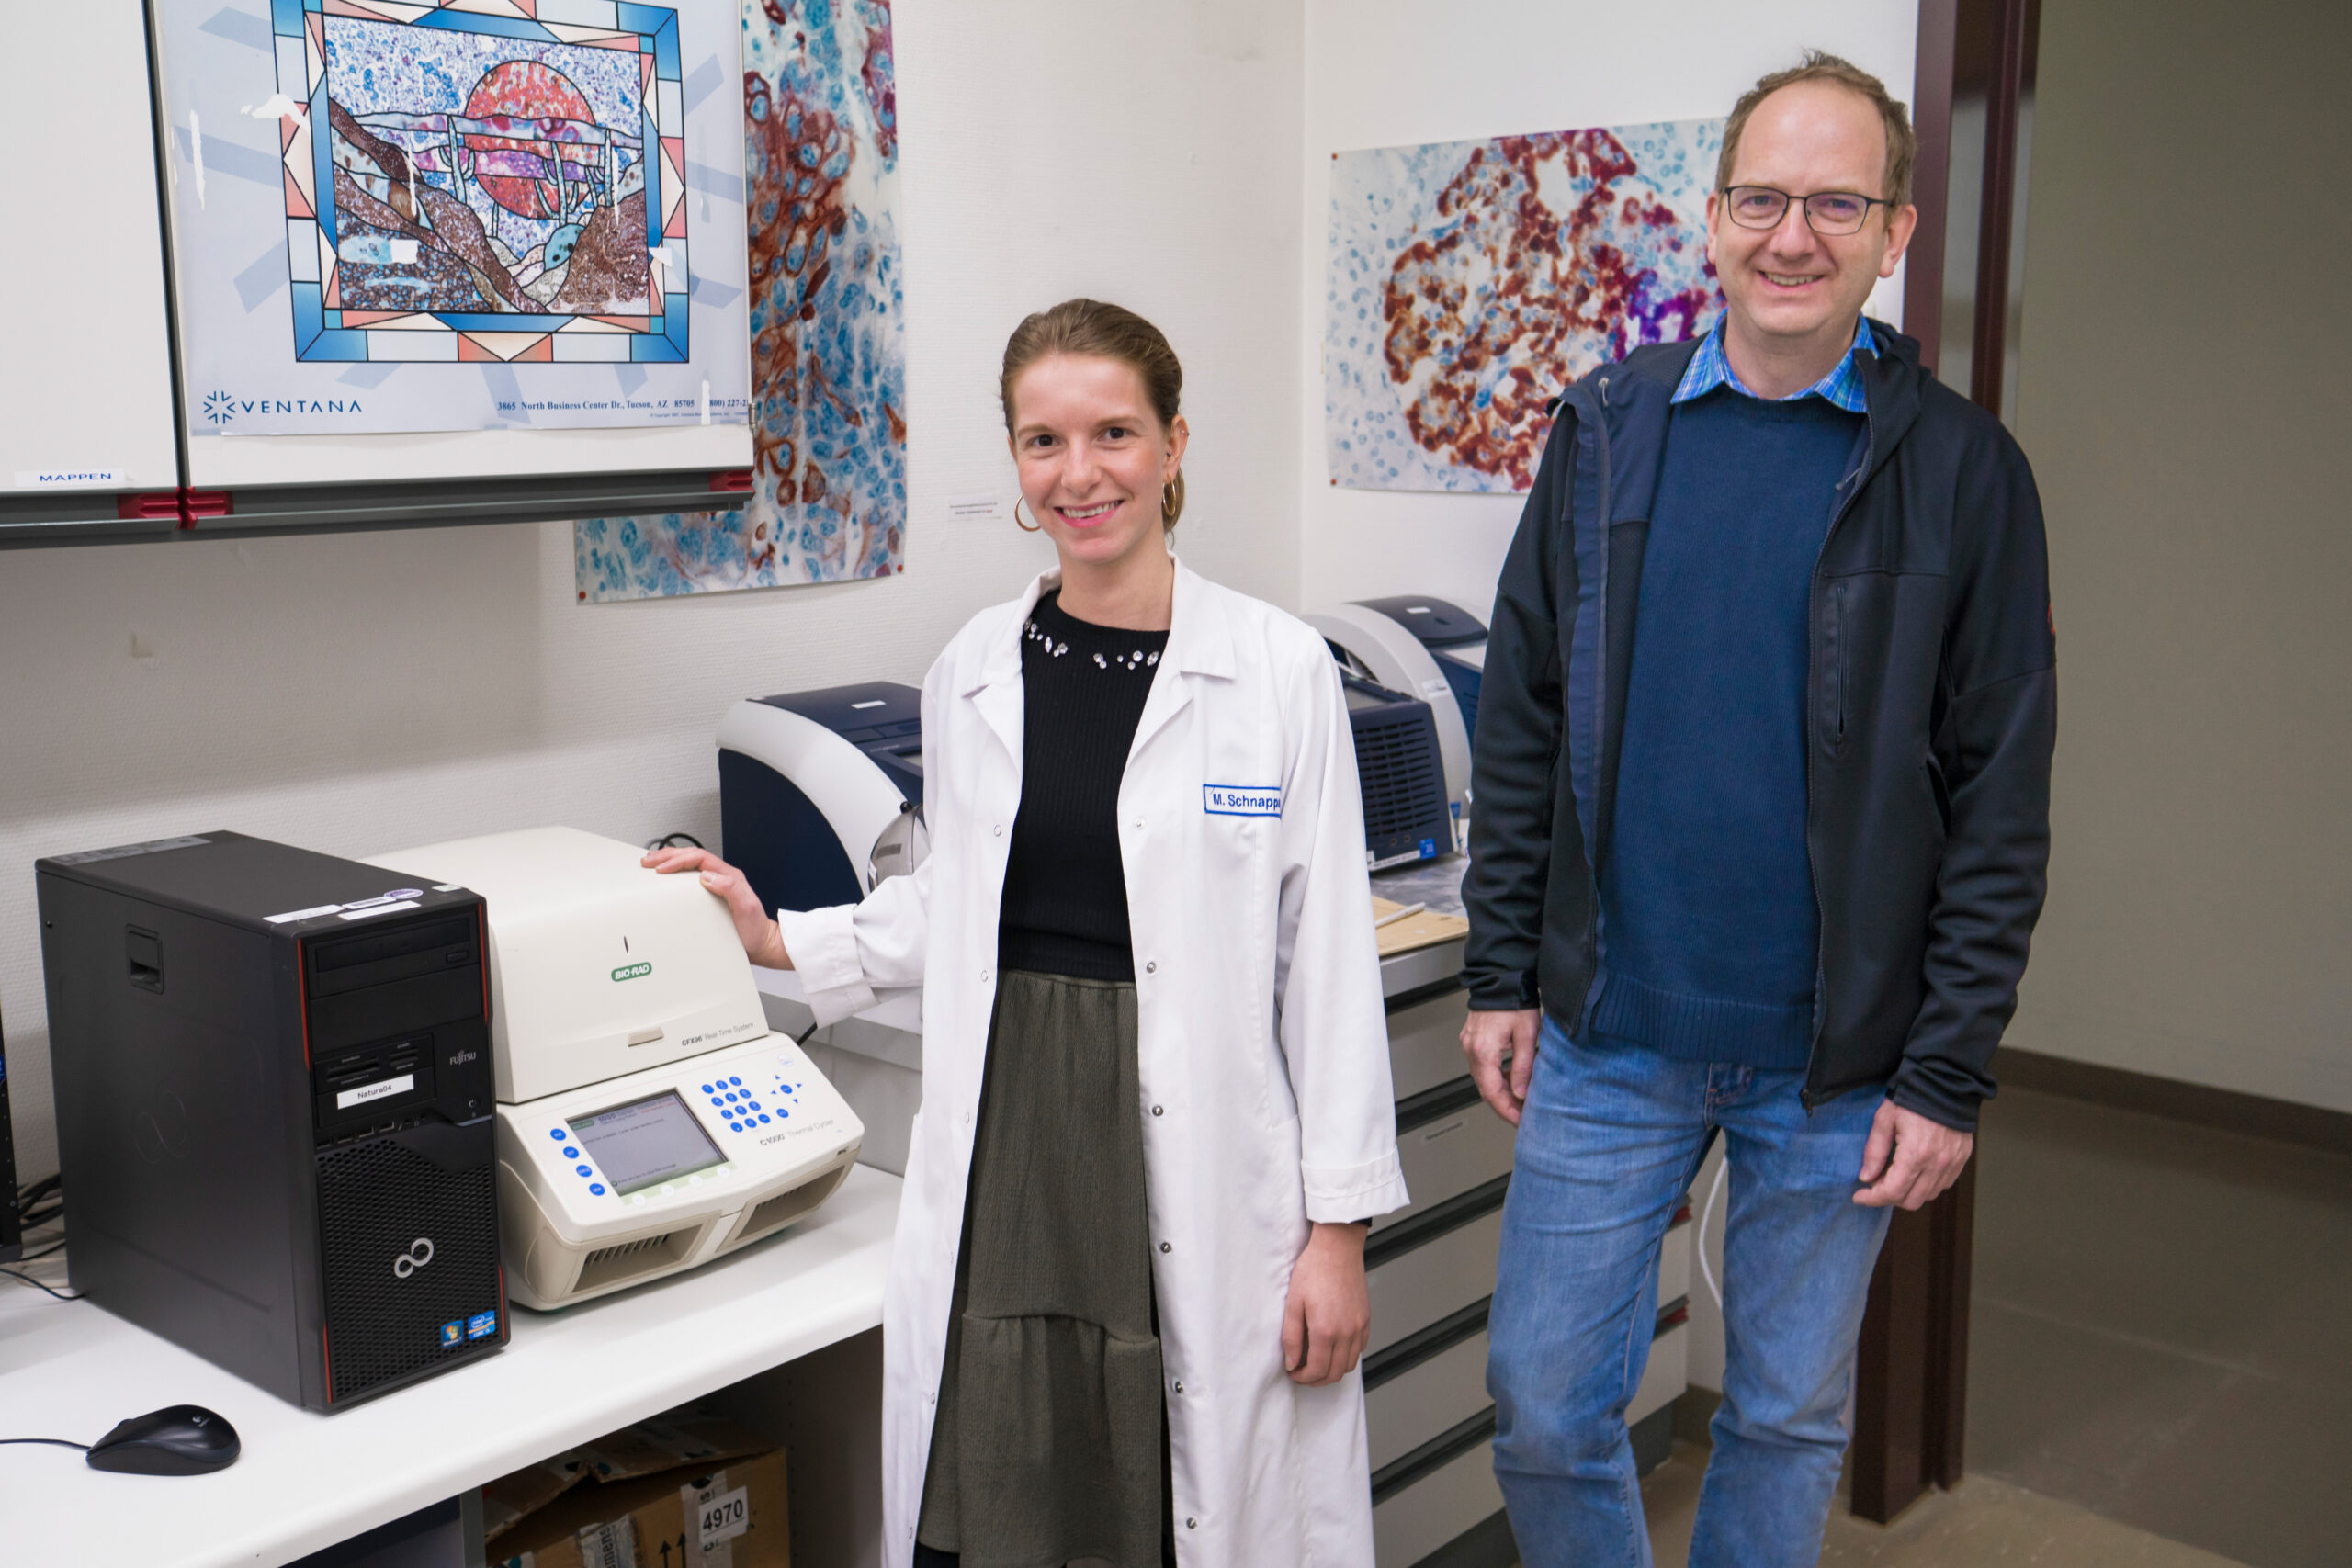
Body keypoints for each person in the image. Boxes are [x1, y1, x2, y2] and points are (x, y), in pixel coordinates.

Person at [648, 299, 1407, 1568]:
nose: (1079, 473)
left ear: (1173, 444)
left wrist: (1336, 1237)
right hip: (1017, 1138)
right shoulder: (975, 667)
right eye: (1042, 441)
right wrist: (784, 940)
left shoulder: (1277, 671)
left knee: (1179, 1500)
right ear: (1015, 462)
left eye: (1112, 432)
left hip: (1201, 1149)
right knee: (1018, 1483)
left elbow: (1322, 968)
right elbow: (964, 896)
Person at [1459, 53, 2055, 1566]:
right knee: (1540, 1406)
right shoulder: (1604, 430)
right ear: (1710, 217)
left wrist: (1950, 1067)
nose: (1795, 235)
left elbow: (2000, 791)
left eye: (1836, 203)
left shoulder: (1966, 472)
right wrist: (1502, 968)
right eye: (1764, 198)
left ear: (1896, 231)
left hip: (1839, 1061)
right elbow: (1521, 714)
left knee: (1785, 1421)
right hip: (1610, 1036)